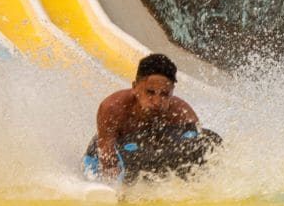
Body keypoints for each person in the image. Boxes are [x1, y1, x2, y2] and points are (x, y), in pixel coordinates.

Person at [85, 53, 215, 181]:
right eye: (150, 92)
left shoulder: (182, 114)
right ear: (135, 87)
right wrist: (112, 187)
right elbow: (106, 154)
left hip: (149, 154)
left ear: (172, 91)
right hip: (106, 154)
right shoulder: (114, 108)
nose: (157, 102)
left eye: (164, 94)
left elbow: (200, 151)